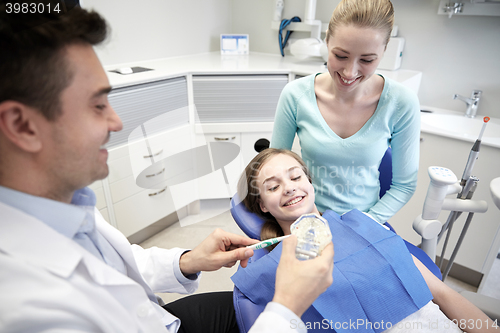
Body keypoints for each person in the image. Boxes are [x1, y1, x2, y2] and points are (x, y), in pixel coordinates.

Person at [0, 3, 333, 333]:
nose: (116, 122)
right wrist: (287, 305)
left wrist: (187, 261)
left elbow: (116, 266)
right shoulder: (27, 309)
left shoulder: (64, 202)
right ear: (22, 126)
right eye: (97, 105)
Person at [234, 148, 499, 333]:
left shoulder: (363, 224)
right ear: (263, 205)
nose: (290, 187)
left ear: (309, 182)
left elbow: (441, 293)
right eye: (273, 186)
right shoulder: (274, 267)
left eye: (295, 177)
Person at [270, 0, 419, 224]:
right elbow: (274, 167)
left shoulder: (401, 103)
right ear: (327, 41)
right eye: (341, 56)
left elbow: (404, 185)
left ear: (384, 50)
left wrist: (366, 223)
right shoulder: (296, 95)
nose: (350, 72)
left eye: (367, 60)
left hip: (366, 220)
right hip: (305, 216)